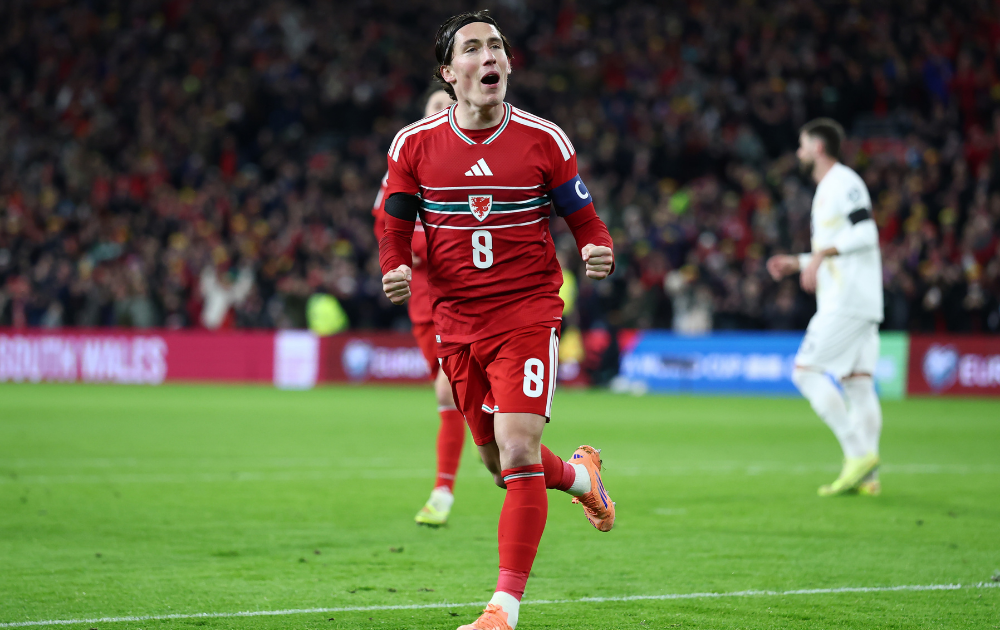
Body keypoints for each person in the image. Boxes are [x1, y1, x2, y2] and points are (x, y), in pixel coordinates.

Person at [379, 11, 616, 630]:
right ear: (448, 72)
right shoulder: (414, 145)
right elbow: (394, 221)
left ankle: (502, 609)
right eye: (474, 48)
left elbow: (584, 217)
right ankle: (580, 477)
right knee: (496, 464)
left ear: (506, 64)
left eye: (498, 47)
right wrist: (394, 263)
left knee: (517, 446)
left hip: (526, 313)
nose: (490, 56)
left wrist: (597, 246)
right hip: (456, 322)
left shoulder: (545, 139)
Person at [767, 118, 884, 497]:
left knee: (805, 371)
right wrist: (800, 262)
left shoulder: (843, 182)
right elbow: (838, 247)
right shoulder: (828, 188)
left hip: (846, 300)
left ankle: (857, 454)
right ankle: (868, 478)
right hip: (861, 299)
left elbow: (866, 233)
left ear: (818, 146)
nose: (799, 153)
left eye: (802, 145)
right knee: (859, 386)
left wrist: (817, 257)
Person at [373, 88, 466, 526]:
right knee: (459, 400)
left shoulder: (467, 169)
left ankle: (442, 492)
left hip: (465, 300)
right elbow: (388, 227)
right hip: (423, 309)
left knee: (449, 392)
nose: (443, 111)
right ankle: (563, 475)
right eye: (435, 106)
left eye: (449, 107)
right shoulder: (405, 167)